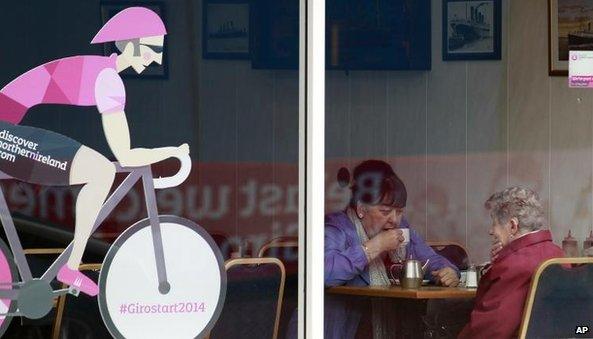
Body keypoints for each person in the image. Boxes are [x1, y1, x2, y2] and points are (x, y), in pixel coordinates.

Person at [0, 7, 188, 296]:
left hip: (7, 129)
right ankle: (71, 269)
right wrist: (169, 152)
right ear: (132, 45)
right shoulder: (109, 80)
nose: (158, 59)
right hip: (4, 132)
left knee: (100, 169)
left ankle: (68, 269)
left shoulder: (103, 72)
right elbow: (125, 154)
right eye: (154, 49)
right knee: (102, 170)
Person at [325, 159, 460, 287]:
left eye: (399, 212)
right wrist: (375, 246)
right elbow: (324, 274)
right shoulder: (337, 227)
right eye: (385, 211)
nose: (394, 220)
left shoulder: (402, 228)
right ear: (361, 209)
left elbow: (431, 260)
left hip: (393, 310)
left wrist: (448, 271)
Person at [458, 186, 564, 339]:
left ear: (513, 226)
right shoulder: (557, 253)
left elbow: (490, 330)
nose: (491, 231)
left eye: (494, 223)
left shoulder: (514, 265)